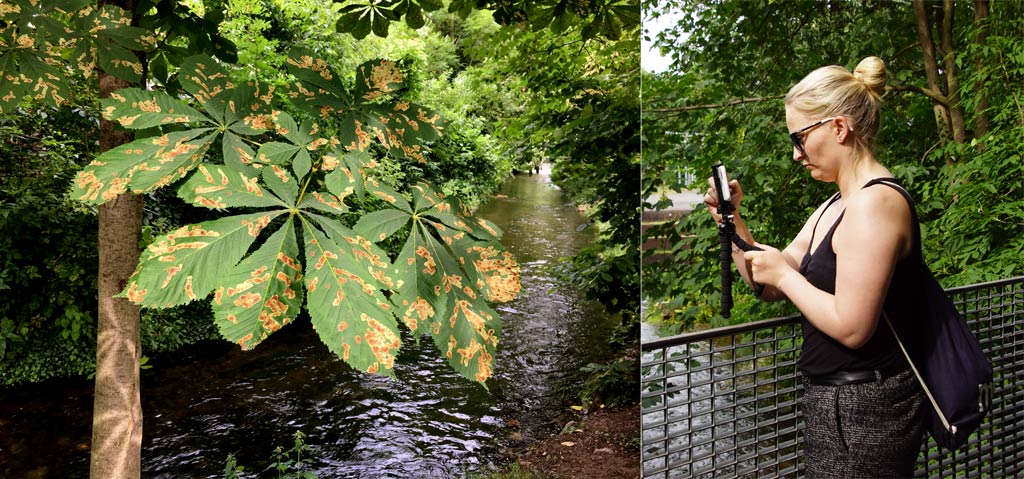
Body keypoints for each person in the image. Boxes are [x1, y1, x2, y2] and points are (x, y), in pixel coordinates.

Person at [704, 57, 926, 477]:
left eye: (800, 138)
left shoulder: (875, 204)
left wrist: (787, 276)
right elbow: (768, 282)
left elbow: (853, 326)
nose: (795, 154)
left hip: (867, 410)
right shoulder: (836, 204)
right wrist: (733, 223)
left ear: (838, 128)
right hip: (838, 404)